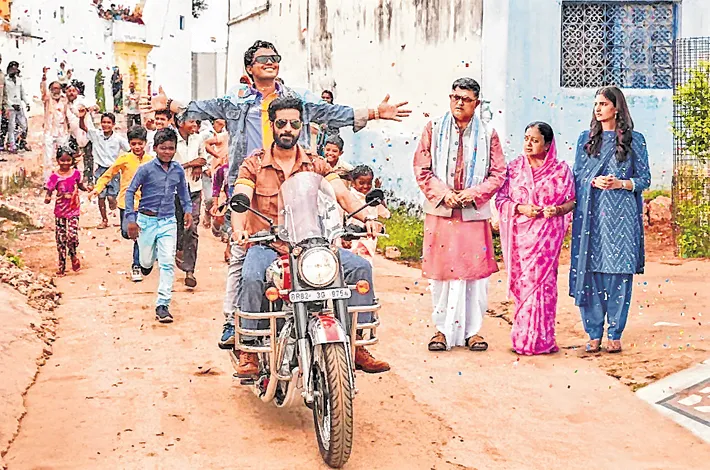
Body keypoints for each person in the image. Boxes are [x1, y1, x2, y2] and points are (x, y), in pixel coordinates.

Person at [148, 40, 410, 348]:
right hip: (253, 191)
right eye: (263, 58)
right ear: (250, 67)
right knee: (242, 262)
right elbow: (204, 108)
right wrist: (169, 104)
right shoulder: (238, 102)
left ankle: (357, 341)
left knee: (345, 263)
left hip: (298, 188)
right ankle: (236, 327)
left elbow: (331, 116)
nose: (270, 62)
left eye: (275, 57)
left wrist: (375, 112)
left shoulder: (300, 111)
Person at [231, 96, 391, 375]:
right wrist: (239, 229)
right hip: (268, 244)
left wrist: (368, 218)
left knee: (359, 268)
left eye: (294, 124)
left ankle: (356, 343)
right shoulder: (253, 164)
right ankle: (250, 349)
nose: (288, 129)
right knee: (253, 275)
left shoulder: (316, 163)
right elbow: (241, 197)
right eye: (282, 123)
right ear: (272, 125)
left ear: (301, 126)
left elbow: (342, 195)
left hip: (311, 245)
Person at [413, 77, 506, 353]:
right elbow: (421, 168)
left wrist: (472, 194)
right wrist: (445, 194)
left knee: (474, 275)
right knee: (441, 274)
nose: (459, 103)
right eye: (455, 97)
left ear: (476, 103)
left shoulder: (488, 133)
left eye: (466, 99)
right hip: (441, 211)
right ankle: (442, 330)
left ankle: (472, 332)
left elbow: (498, 173)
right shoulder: (433, 128)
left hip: (473, 213)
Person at [570, 86, 651, 354]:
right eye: (596, 104)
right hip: (592, 217)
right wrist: (593, 181)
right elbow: (577, 177)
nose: (598, 108)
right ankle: (594, 333)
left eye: (603, 104)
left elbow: (644, 179)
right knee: (591, 272)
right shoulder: (586, 139)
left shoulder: (634, 140)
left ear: (617, 108)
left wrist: (621, 183)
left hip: (622, 218)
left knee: (619, 273)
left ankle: (615, 332)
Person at [496, 122, 576, 355]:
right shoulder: (514, 169)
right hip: (521, 239)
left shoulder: (561, 171)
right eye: (526, 139)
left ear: (548, 145)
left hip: (547, 238)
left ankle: (543, 340)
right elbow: (501, 200)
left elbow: (572, 201)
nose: (528, 144)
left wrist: (557, 210)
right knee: (525, 286)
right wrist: (521, 208)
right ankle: (522, 339)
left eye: (535, 140)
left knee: (544, 287)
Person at [125, 128, 193, 323]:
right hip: (146, 221)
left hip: (168, 221)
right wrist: (131, 218)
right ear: (155, 148)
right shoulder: (145, 169)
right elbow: (130, 191)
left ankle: (163, 304)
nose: (167, 152)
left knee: (167, 262)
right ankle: (146, 263)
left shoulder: (178, 170)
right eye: (163, 148)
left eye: (171, 148)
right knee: (146, 262)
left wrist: (188, 210)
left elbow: (183, 193)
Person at [91, 126, 153, 282]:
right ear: (129, 144)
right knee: (126, 233)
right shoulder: (124, 158)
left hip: (144, 204)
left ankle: (136, 266)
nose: (137, 147)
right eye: (133, 144)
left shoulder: (151, 160)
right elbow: (109, 173)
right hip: (126, 203)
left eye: (140, 144)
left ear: (145, 143)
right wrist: (98, 188)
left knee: (138, 234)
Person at [44, 147, 89, 276]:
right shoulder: (54, 176)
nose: (65, 163)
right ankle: (62, 265)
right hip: (60, 211)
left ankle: (73, 254)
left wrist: (88, 189)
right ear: (58, 160)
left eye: (68, 160)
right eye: (62, 160)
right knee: (61, 238)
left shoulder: (75, 174)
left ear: (72, 160)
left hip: (73, 209)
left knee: (72, 236)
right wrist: (47, 197)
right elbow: (49, 190)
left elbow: (80, 185)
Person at [173, 115, 206, 288]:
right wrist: (192, 164)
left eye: (195, 121)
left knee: (192, 228)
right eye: (191, 121)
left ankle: (189, 270)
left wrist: (198, 165)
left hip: (194, 189)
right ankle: (178, 250)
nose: (194, 124)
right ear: (180, 123)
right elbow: (171, 165)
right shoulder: (171, 139)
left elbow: (203, 158)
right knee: (178, 226)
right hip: (175, 191)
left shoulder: (198, 138)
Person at [81, 111, 130, 229]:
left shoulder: (118, 139)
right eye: (103, 122)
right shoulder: (96, 135)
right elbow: (83, 127)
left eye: (108, 122)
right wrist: (82, 117)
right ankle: (104, 220)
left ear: (113, 124)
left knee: (112, 197)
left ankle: (114, 204)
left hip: (114, 170)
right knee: (100, 196)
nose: (106, 125)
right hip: (100, 170)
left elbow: (129, 150)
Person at [347, 165, 391, 266]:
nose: (365, 186)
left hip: (368, 241)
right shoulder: (348, 197)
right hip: (350, 239)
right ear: (353, 182)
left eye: (369, 183)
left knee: (365, 266)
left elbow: (386, 214)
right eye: (361, 183)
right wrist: (343, 238)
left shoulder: (373, 199)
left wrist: (379, 194)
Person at [41, 69, 71, 180]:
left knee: (63, 156)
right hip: (49, 132)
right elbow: (43, 91)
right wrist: (44, 78)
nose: (56, 90)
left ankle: (63, 178)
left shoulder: (64, 100)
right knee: (48, 158)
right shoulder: (47, 99)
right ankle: (47, 180)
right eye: (54, 88)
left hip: (62, 132)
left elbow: (67, 114)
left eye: (58, 88)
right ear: (50, 90)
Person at [203, 118, 229, 228]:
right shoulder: (224, 136)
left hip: (231, 171)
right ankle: (211, 214)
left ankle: (223, 227)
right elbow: (206, 144)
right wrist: (218, 156)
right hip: (219, 170)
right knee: (214, 197)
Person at [3, 61, 29, 154]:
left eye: (15, 68)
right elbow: (4, 95)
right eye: (12, 68)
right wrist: (11, 105)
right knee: (11, 127)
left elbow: (22, 93)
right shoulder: (5, 80)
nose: (14, 70)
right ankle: (12, 145)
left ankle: (12, 141)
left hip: (19, 106)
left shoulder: (19, 80)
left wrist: (27, 103)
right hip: (10, 107)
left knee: (23, 126)